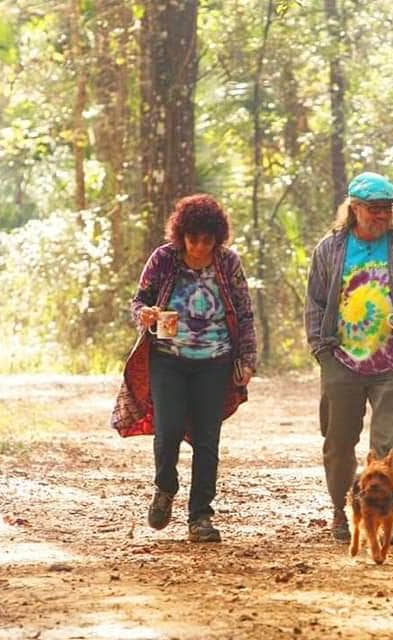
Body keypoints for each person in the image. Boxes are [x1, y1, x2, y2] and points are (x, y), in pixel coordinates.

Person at [111, 194, 257, 543]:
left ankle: (200, 517)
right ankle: (165, 487)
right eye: (193, 239)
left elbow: (245, 311)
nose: (200, 247)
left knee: (208, 440)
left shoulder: (228, 263)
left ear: (217, 238)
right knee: (169, 430)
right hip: (168, 359)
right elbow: (138, 301)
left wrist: (248, 360)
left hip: (215, 361)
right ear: (181, 236)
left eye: (207, 240)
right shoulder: (164, 259)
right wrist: (143, 315)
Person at [304, 171, 393, 542]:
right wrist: (322, 350)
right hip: (341, 361)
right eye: (375, 209)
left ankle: (381, 515)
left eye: (389, 209)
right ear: (355, 208)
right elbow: (315, 302)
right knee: (338, 443)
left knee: (387, 445)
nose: (383, 216)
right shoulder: (330, 249)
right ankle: (341, 511)